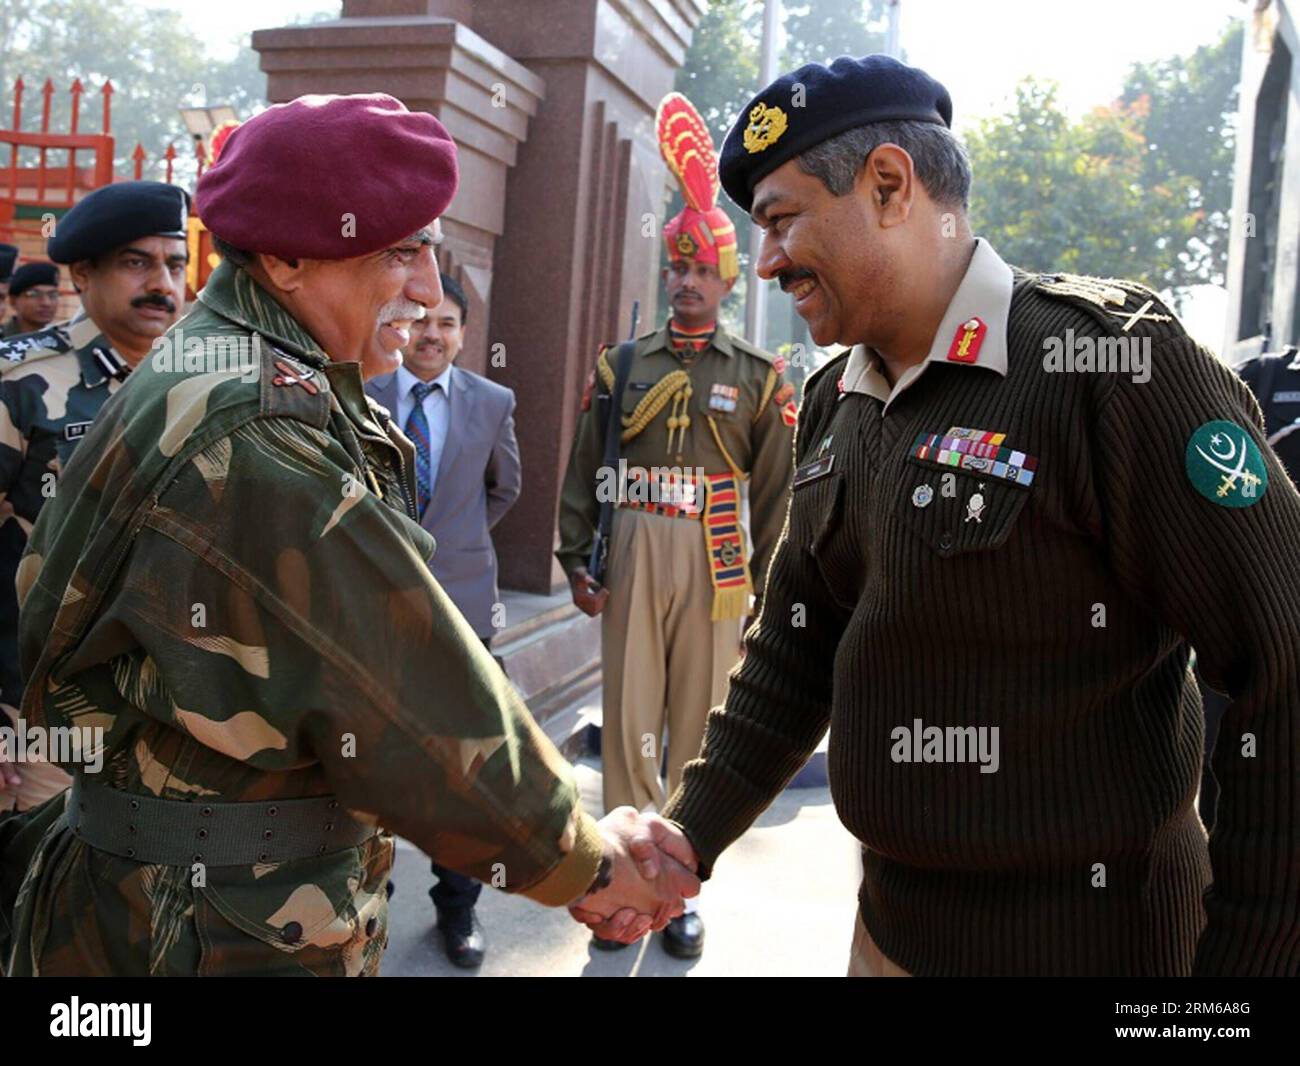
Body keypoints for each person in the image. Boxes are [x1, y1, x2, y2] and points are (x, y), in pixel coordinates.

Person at [576, 55, 1300, 977]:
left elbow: (1286, 658)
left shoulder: (1112, 370)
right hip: (889, 941)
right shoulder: (839, 398)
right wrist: (689, 835)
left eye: (782, 220)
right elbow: (796, 647)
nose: (764, 261)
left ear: (888, 185)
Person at [0, 93, 696, 977]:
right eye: (400, 251)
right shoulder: (254, 426)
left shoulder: (246, 367)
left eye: (431, 249)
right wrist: (586, 864)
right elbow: (407, 697)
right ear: (290, 258)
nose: (429, 290)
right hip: (204, 929)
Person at [556, 91, 795, 959]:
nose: (687, 281)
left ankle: (681, 892)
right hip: (635, 541)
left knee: (697, 727)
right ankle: (615, 886)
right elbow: (585, 467)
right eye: (677, 269)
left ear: (728, 281)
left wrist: (764, 591)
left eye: (703, 270)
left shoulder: (762, 377)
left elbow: (775, 495)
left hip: (719, 555)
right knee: (628, 723)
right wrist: (575, 556)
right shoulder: (622, 366)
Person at [0, 183, 188, 815]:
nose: (162, 282)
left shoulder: (204, 381)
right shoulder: (21, 383)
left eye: (175, 264)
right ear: (83, 273)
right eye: (138, 263)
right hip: (37, 719)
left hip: (168, 717)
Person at [365, 270, 522, 968]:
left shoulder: (493, 401)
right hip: (373, 608)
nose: (432, 333)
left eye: (447, 322)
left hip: (464, 610)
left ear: (464, 333)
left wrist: (452, 547)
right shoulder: (360, 393)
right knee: (368, 760)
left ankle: (458, 909)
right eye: (419, 319)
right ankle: (366, 903)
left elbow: (504, 488)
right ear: (399, 325)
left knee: (466, 766)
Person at [3, 262, 60, 337]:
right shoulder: (3, 341)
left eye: (52, 295)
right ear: (13, 301)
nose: (46, 303)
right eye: (34, 294)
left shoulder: (65, 342)